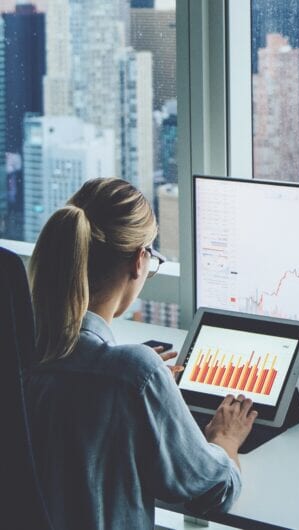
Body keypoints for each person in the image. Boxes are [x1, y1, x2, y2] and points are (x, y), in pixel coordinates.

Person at [24, 178, 256, 529]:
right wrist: (225, 439)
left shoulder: (19, 345)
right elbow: (213, 492)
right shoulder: (134, 374)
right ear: (139, 260)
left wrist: (127, 372)